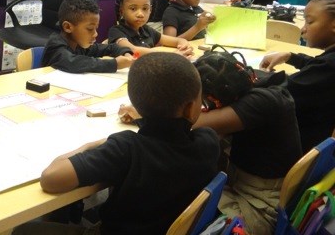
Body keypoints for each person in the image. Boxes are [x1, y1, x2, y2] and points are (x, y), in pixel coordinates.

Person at [21, 52, 219, 234]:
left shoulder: (126, 148)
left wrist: (92, 144)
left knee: (24, 230)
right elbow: (173, 133)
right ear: (192, 107)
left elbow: (50, 178)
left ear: (135, 102)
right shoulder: (208, 142)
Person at [192, 49, 302, 235]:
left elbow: (191, 121)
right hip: (247, 182)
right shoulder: (250, 83)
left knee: (179, 201)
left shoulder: (262, 102)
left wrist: (145, 110)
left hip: (261, 205)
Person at [260, 0, 335, 153]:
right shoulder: (327, 63)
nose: (303, 29)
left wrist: (249, 75)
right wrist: (290, 57)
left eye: (309, 22)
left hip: (296, 149)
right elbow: (317, 65)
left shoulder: (329, 67)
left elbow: (279, 92)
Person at [41, 0, 134, 73]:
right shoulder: (55, 46)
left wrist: (126, 53)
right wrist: (115, 64)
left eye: (96, 28)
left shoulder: (79, 44)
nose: (96, 34)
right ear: (68, 27)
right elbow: (73, 62)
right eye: (90, 29)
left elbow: (111, 47)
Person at [108, 0, 193, 58]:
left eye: (145, 8)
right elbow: (133, 50)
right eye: (133, 8)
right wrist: (169, 55)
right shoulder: (116, 31)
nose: (140, 14)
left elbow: (177, 40)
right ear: (122, 11)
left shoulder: (147, 30)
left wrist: (184, 45)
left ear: (150, 10)